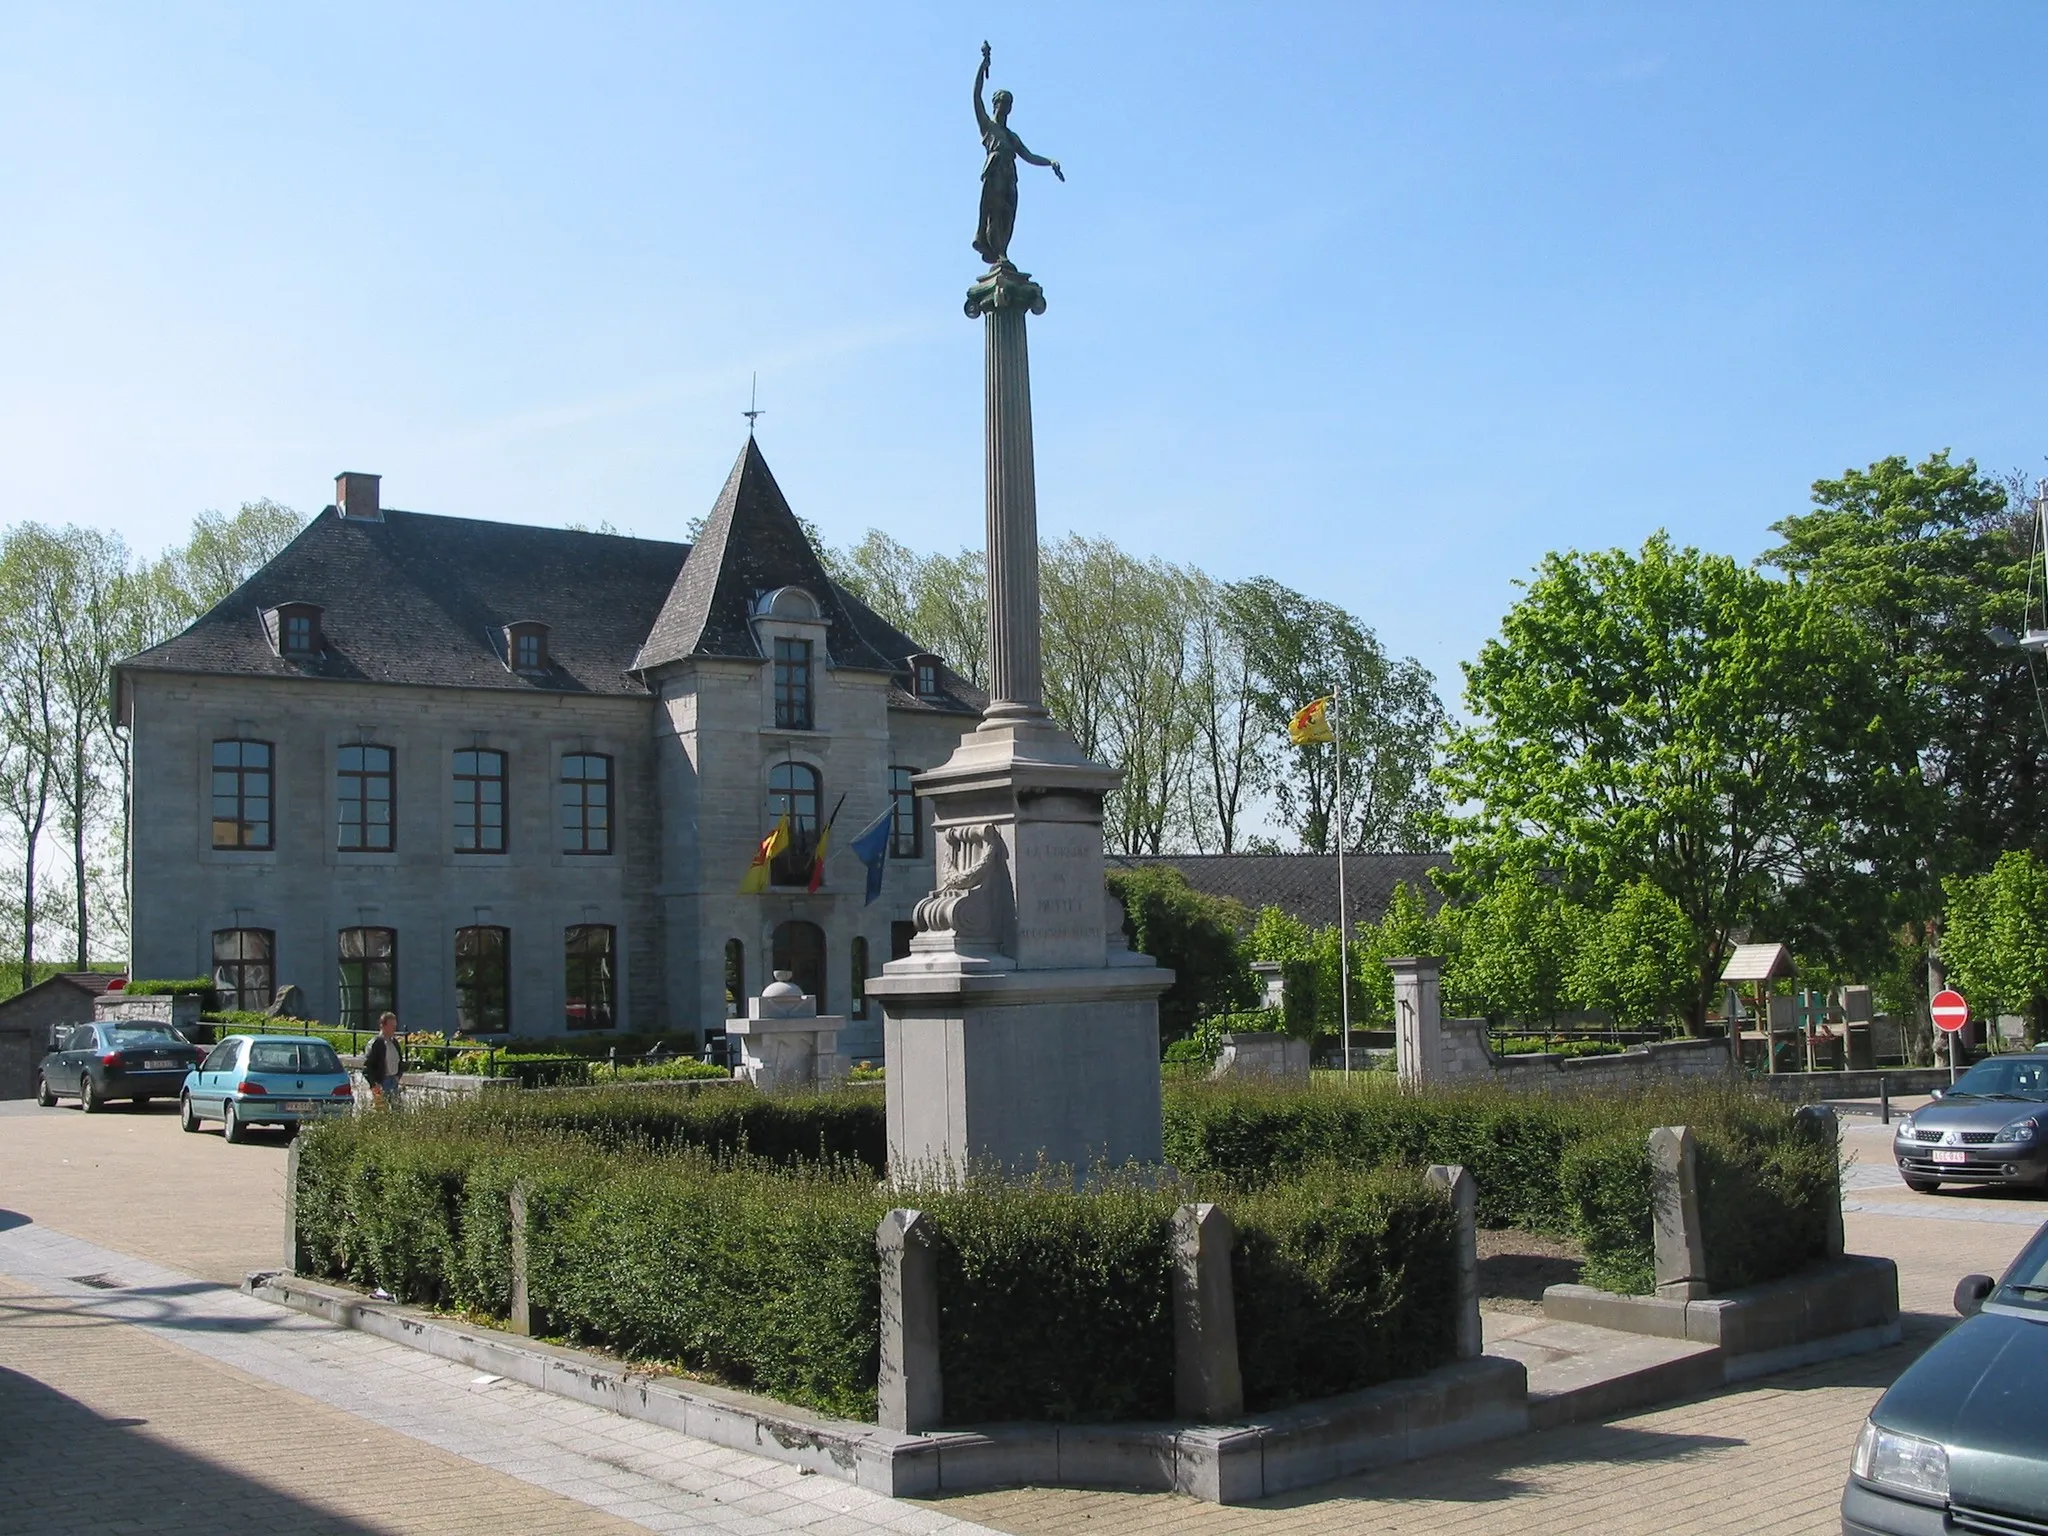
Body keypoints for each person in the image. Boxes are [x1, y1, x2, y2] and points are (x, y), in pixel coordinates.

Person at [972, 41, 1062, 268]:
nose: (1006, 107)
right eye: (1002, 102)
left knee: (1007, 215)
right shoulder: (987, 127)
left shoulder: (1011, 137)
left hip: (1009, 175)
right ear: (995, 105)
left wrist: (1050, 162)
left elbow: (1028, 155)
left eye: (1009, 104)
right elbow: (976, 96)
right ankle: (997, 250)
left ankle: (1003, 250)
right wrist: (983, 66)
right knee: (994, 211)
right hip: (994, 173)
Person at [363, 1012, 405, 1108]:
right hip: (381, 1082)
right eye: (391, 1025)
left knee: (397, 1111)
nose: (394, 1028)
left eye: (395, 1025)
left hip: (393, 1081)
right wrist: (374, 1084)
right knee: (381, 1111)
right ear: (383, 1026)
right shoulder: (376, 1043)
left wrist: (398, 1076)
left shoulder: (394, 1042)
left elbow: (400, 1061)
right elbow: (367, 1066)